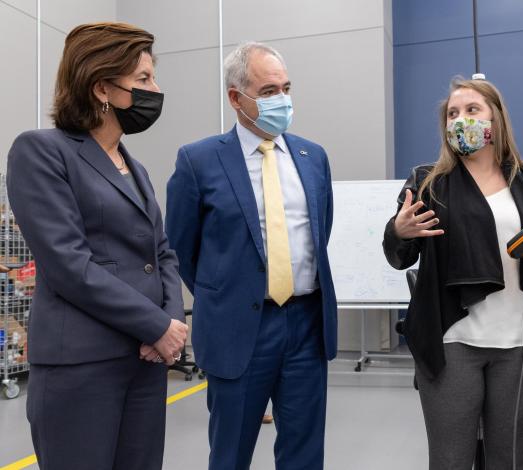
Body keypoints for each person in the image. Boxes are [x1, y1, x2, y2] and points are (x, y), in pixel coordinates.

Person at [383, 76, 523, 470]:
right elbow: (399, 257)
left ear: (496, 119)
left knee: (511, 461)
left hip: (520, 344)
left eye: (472, 110)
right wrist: (398, 232)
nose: (460, 119)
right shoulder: (428, 182)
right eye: (453, 113)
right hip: (452, 342)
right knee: (451, 461)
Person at [6, 23, 188, 470]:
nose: (156, 90)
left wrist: (170, 322)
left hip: (145, 363)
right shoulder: (41, 152)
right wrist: (154, 325)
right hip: (81, 367)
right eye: (143, 80)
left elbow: (161, 253)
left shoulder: (135, 167)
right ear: (102, 87)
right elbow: (69, 263)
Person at [166, 41, 337, 470]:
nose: (281, 99)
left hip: (305, 326)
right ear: (235, 98)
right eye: (267, 91)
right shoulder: (198, 161)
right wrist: (228, 293)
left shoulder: (312, 157)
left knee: (304, 453)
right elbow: (181, 249)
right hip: (238, 329)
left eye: (286, 87)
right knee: (230, 455)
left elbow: (320, 232)